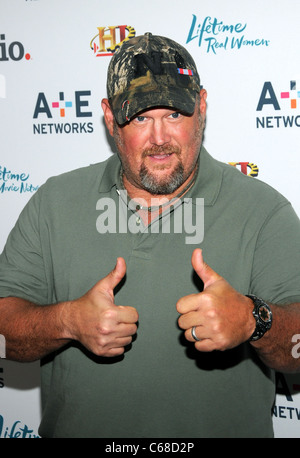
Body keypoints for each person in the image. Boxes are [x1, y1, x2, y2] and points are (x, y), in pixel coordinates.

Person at [0, 32, 300, 438]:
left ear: (203, 107)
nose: (160, 139)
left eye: (174, 115)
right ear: (109, 117)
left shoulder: (264, 211)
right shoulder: (54, 203)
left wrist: (253, 319)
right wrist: (68, 321)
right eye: (140, 118)